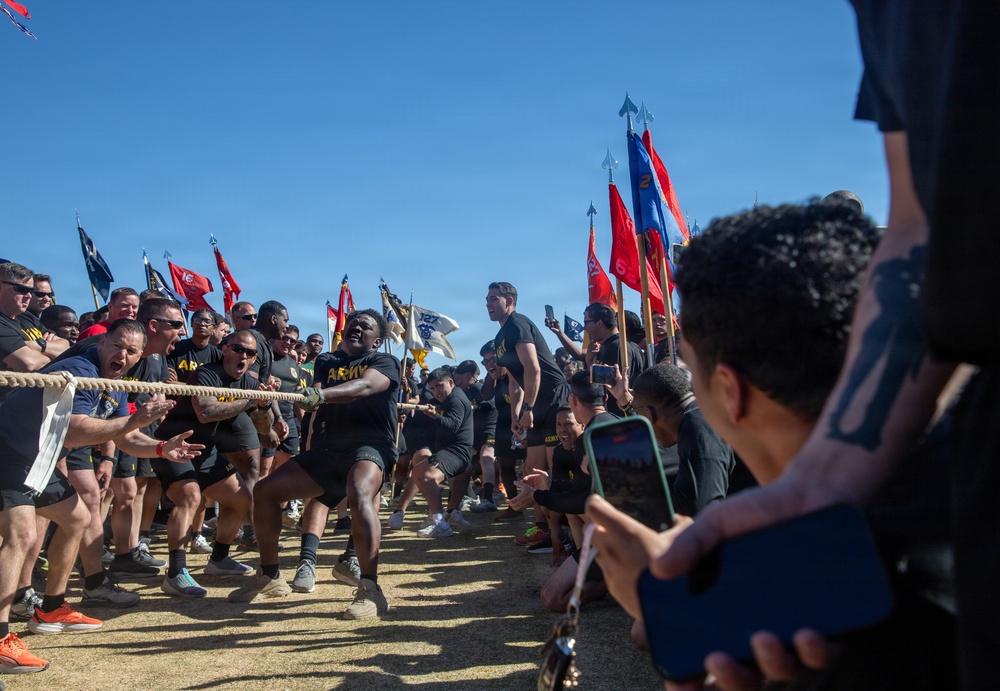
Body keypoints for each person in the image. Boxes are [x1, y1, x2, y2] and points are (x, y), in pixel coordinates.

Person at [0, 318, 202, 674]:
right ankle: (1, 640)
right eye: (117, 346)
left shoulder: (116, 384)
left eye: (131, 351)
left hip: (36, 458)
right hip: (7, 449)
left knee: (77, 517)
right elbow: (76, 430)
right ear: (102, 344)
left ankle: (51, 608)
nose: (122, 355)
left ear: (140, 355)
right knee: (21, 535)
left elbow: (125, 439)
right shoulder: (80, 370)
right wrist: (135, 423)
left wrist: (160, 449)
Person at [230, 310, 398, 620]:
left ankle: (371, 590)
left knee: (360, 492)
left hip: (370, 446)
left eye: (366, 327)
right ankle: (270, 577)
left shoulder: (384, 362)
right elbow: (313, 393)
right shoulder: (327, 361)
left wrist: (320, 395)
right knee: (266, 491)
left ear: (378, 339)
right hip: (328, 449)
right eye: (353, 325)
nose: (357, 329)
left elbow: (363, 387)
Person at [153, 329, 269, 598]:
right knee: (190, 497)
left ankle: (219, 559)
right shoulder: (206, 374)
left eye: (250, 353)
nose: (243, 355)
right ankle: (175, 573)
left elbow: (263, 426)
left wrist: (262, 406)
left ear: (254, 359)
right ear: (225, 349)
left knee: (241, 499)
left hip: (205, 450)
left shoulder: (248, 384)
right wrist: (250, 400)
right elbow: (205, 412)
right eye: (238, 349)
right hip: (174, 445)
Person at [486, 281, 568, 531]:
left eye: (493, 299)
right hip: (535, 405)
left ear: (509, 301)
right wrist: (516, 414)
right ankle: (542, 528)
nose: (488, 304)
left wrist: (529, 408)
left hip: (554, 400)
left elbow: (534, 368)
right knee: (532, 470)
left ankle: (562, 531)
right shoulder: (500, 335)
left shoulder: (517, 324)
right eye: (486, 300)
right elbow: (514, 382)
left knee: (555, 469)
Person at [388, 367, 474, 538]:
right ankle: (437, 516)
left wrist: (434, 416)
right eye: (433, 388)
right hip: (449, 451)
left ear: (450, 382)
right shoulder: (448, 398)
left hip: (457, 452)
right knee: (418, 472)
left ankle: (440, 523)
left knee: (427, 476)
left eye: (439, 386)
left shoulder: (455, 399)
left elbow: (452, 425)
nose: (436, 391)